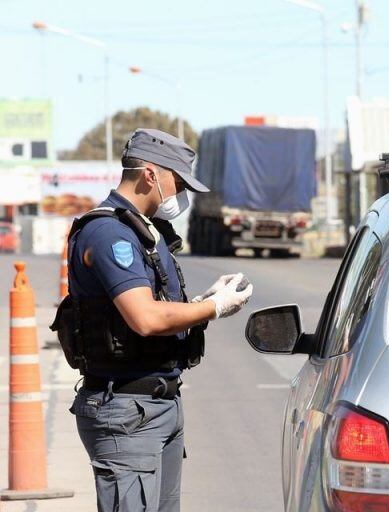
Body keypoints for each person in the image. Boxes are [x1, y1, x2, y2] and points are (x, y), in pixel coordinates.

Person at [52, 128, 253, 512]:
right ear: (149, 174)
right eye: (177, 182)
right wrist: (215, 308)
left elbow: (153, 305)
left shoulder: (145, 229)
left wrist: (200, 302)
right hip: (127, 412)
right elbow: (144, 318)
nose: (180, 195)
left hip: (158, 404)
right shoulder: (111, 234)